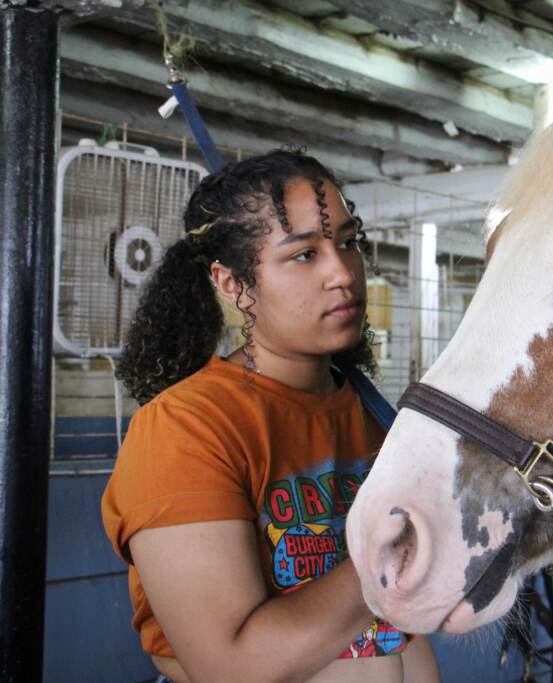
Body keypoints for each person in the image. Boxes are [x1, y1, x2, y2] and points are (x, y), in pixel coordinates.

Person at [101, 150, 440, 683]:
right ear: (233, 284)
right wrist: (403, 548)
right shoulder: (184, 429)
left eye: (347, 243)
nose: (343, 273)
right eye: (304, 255)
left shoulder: (373, 415)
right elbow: (232, 666)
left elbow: (395, 636)